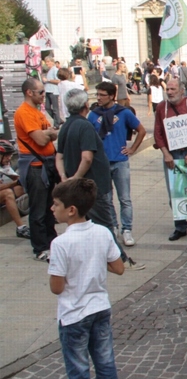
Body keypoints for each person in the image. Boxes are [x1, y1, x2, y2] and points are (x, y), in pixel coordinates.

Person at [48, 178, 126, 379]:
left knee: (79, 371)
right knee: (105, 365)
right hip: (100, 308)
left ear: (71, 210)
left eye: (56, 204)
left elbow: (56, 287)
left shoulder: (60, 243)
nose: (52, 208)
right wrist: (93, 263)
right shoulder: (102, 232)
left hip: (73, 315)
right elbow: (119, 267)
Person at [57, 88, 144, 270]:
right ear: (85, 106)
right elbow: (87, 157)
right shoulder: (85, 125)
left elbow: (59, 156)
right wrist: (76, 178)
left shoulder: (66, 125)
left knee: (87, 223)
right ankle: (120, 259)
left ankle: (94, 256)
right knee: (105, 225)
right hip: (92, 184)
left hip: (82, 183)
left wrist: (65, 177)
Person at [88, 82, 147, 247]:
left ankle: (127, 229)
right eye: (97, 94)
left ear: (112, 96)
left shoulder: (124, 113)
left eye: (102, 95)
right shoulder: (93, 115)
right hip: (102, 163)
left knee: (125, 198)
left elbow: (141, 130)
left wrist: (133, 148)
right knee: (106, 198)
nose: (98, 98)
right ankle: (113, 226)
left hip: (120, 161)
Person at [154, 79, 187, 242]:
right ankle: (180, 226)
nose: (169, 92)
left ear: (181, 91)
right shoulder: (161, 108)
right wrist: (165, 153)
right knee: (174, 191)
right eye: (168, 89)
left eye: (173, 89)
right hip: (171, 154)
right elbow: (158, 133)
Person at [15, 78, 59, 261]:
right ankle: (40, 248)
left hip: (46, 164)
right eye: (40, 92)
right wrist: (47, 134)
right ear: (29, 92)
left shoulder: (37, 112)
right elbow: (41, 140)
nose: (44, 95)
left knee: (49, 208)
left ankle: (51, 242)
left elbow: (53, 133)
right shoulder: (24, 113)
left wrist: (47, 133)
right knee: (39, 209)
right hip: (35, 166)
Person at [0, 139, 31, 238]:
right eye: (6, 155)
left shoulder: (3, 164)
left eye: (10, 155)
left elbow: (17, 179)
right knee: (7, 193)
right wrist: (15, 182)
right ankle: (21, 228)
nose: (9, 158)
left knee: (19, 187)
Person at [43, 56, 63, 128]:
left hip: (54, 91)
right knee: (47, 107)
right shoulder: (49, 70)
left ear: (52, 62)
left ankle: (56, 124)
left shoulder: (55, 70)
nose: (47, 63)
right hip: (48, 91)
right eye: (46, 62)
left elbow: (58, 81)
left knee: (55, 108)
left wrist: (48, 80)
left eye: (48, 62)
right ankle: (58, 120)